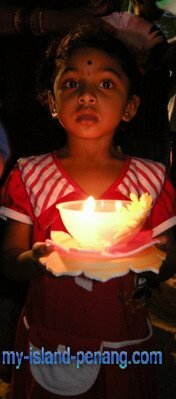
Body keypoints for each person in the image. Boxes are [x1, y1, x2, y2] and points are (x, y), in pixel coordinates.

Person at [1, 24, 176, 398]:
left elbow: (170, 253)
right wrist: (34, 259)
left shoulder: (151, 179)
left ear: (130, 107)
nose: (87, 96)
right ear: (51, 101)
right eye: (71, 84)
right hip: (53, 335)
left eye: (106, 84)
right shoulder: (30, 175)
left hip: (122, 337)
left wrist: (146, 255)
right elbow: (9, 257)